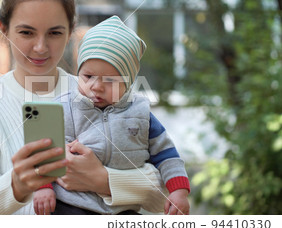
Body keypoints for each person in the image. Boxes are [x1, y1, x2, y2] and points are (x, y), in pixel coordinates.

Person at [0, 0, 167, 215]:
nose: (40, 47)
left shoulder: (99, 95)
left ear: (70, 32)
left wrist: (102, 180)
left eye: (54, 33)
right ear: (4, 29)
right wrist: (17, 186)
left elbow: (165, 193)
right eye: (26, 32)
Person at [33, 16, 190, 215]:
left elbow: (167, 155)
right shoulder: (64, 108)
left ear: (129, 83)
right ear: (78, 72)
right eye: (88, 77)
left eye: (110, 80)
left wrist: (179, 191)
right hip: (71, 204)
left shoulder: (141, 114)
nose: (96, 87)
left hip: (123, 207)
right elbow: (43, 151)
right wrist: (43, 188)